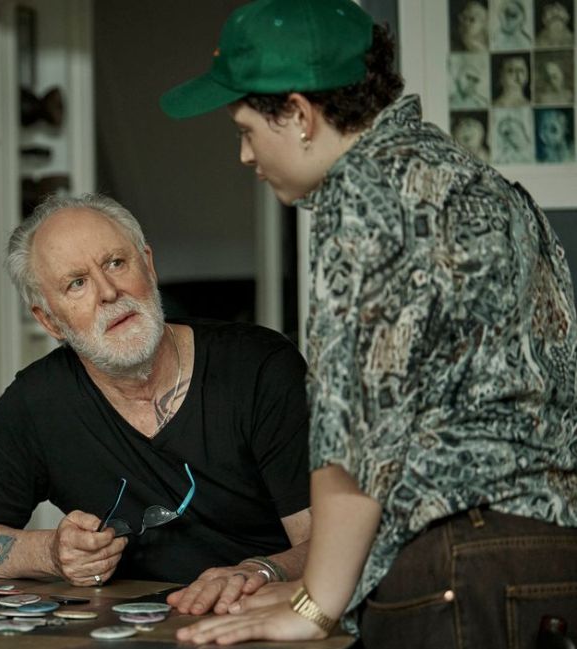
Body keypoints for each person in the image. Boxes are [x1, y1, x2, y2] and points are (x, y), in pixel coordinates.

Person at [160, 0, 577, 646]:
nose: (245, 155)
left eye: (245, 129)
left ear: (298, 114)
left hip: (454, 565)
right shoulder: (466, 176)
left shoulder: (363, 192)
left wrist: (314, 603)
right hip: (548, 553)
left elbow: (356, 431)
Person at [0, 193, 312, 617]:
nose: (109, 292)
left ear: (148, 265)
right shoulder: (38, 401)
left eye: (116, 263)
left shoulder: (259, 366)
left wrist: (261, 571)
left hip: (269, 618)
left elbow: (334, 541)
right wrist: (51, 553)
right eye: (76, 283)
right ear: (48, 320)